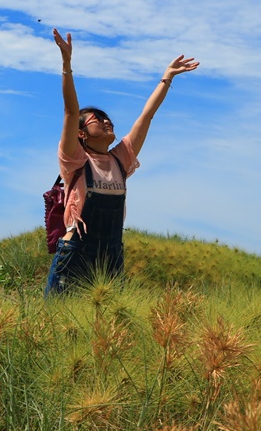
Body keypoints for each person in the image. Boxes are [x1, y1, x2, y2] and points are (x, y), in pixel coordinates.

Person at [44, 28, 199, 295]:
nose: (107, 121)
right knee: (59, 322)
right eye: (97, 119)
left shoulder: (120, 159)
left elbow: (147, 116)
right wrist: (67, 65)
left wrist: (166, 78)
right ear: (81, 133)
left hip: (112, 255)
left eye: (107, 118)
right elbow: (71, 111)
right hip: (75, 252)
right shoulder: (74, 160)